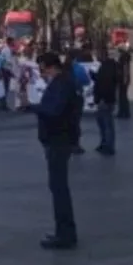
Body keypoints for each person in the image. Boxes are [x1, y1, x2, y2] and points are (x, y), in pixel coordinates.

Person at [32, 52, 82, 250]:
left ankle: (65, 233)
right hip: (60, 139)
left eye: (41, 68)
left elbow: (54, 111)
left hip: (58, 141)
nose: (41, 73)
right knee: (58, 187)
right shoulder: (64, 82)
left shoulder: (61, 85)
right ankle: (64, 231)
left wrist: (35, 108)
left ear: (48, 66)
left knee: (59, 187)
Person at [91, 49, 119, 156]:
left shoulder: (106, 68)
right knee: (104, 123)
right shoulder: (111, 67)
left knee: (106, 123)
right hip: (107, 99)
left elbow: (102, 83)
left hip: (105, 99)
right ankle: (105, 143)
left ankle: (108, 145)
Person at [65, 47, 93, 155]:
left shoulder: (63, 68)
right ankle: (75, 144)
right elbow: (86, 81)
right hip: (76, 97)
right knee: (75, 122)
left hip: (64, 97)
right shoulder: (78, 68)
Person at [115, 46, 133, 119]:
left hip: (123, 79)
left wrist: (125, 79)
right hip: (124, 79)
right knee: (123, 96)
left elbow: (125, 69)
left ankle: (123, 112)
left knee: (122, 96)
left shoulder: (124, 58)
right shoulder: (125, 57)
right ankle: (124, 112)